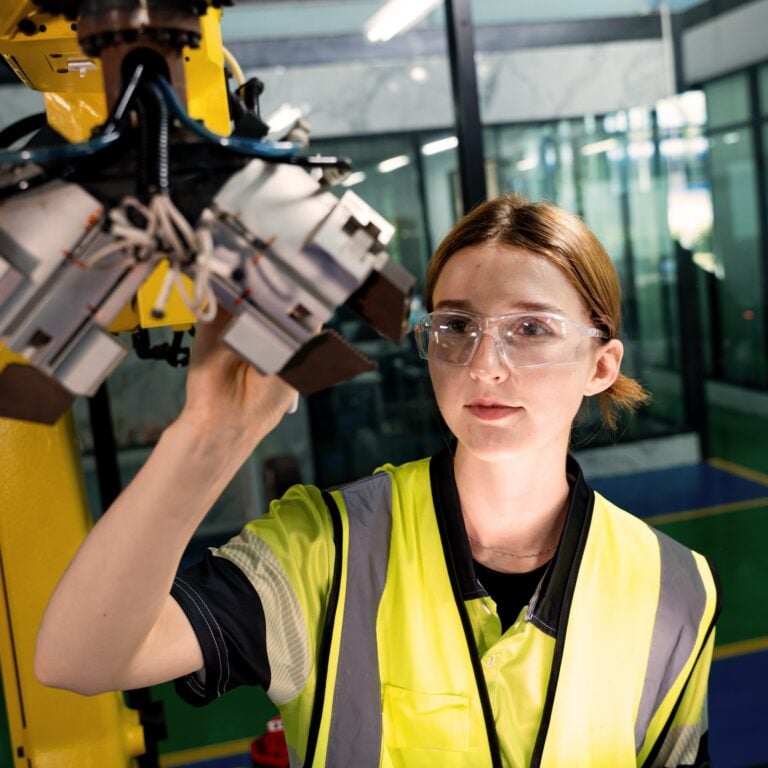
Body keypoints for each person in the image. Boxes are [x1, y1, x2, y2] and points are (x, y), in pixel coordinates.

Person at [35, 194, 720, 768]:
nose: (484, 365)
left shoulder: (676, 587)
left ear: (601, 365)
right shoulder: (326, 551)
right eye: (455, 325)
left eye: (531, 328)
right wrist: (211, 438)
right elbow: (79, 658)